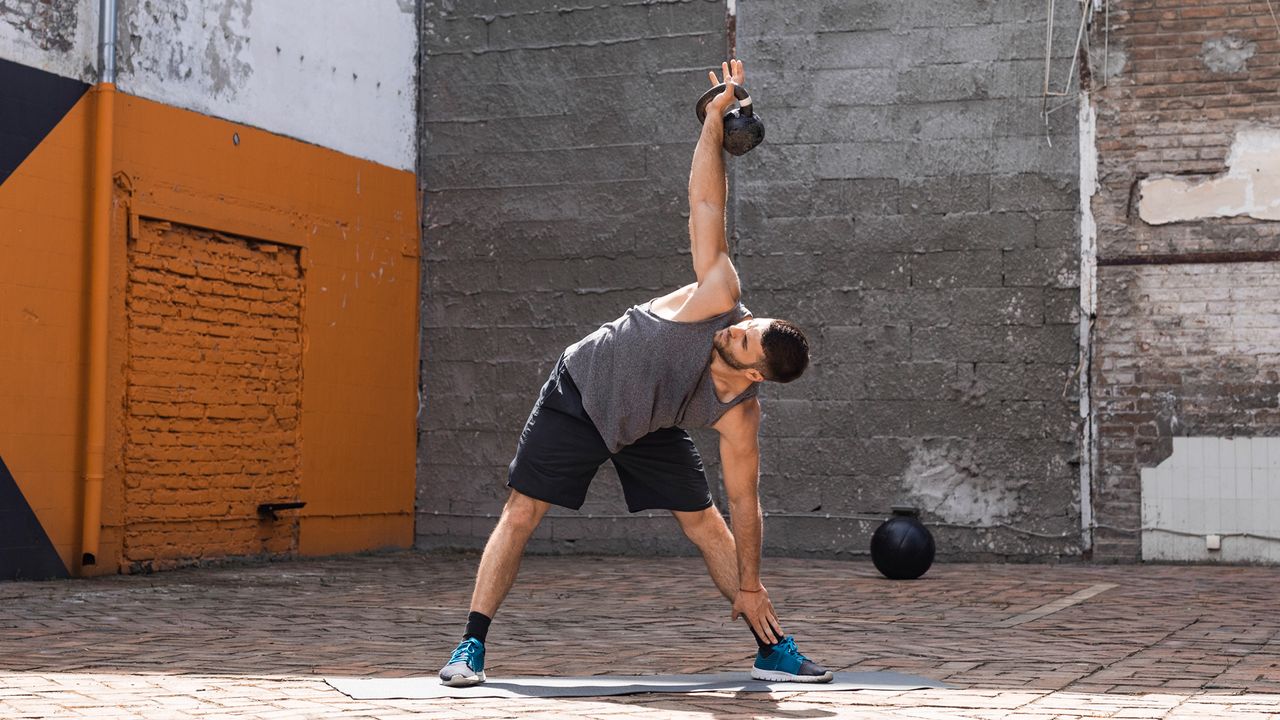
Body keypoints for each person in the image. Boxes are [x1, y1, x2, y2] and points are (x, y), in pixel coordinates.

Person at [439, 59, 830, 687]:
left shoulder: (739, 415)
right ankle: (470, 646)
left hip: (649, 421)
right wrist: (711, 123)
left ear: (755, 376)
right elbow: (705, 203)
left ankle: (772, 645)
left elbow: (745, 505)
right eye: (746, 326)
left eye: (744, 340)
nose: (736, 327)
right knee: (522, 510)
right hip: (584, 392)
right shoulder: (720, 295)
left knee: (707, 521)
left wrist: (752, 585)